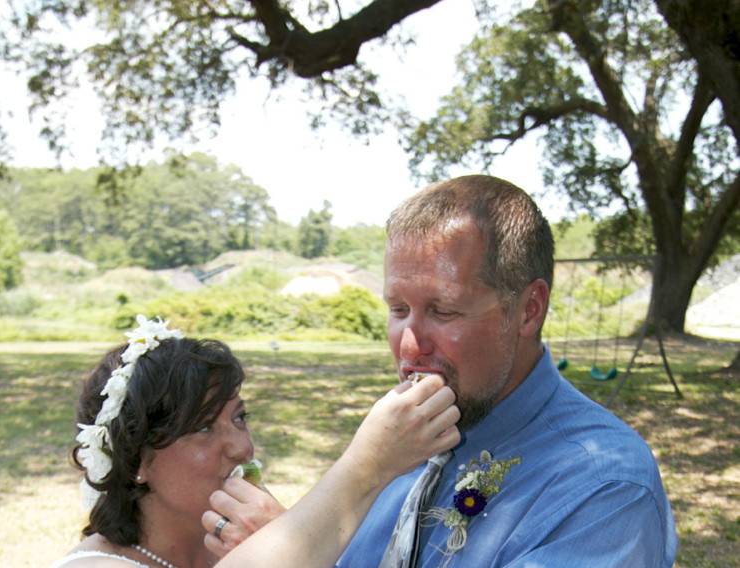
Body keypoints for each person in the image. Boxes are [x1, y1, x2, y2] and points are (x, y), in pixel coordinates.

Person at [209, 175, 677, 567]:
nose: (410, 344)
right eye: (397, 309)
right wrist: (297, 540)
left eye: (444, 311)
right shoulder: (407, 435)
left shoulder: (604, 490)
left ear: (529, 310)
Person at [52, 315, 460, 568]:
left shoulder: (242, 544)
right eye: (203, 428)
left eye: (239, 418)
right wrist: (368, 465)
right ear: (137, 459)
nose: (241, 448)